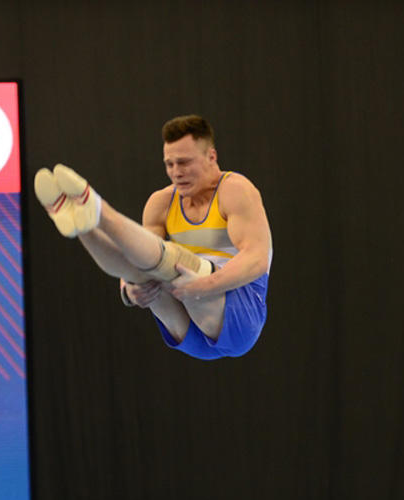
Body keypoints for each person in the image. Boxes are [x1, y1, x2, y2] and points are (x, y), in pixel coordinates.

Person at [33, 115, 272, 359]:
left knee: (176, 263)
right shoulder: (161, 202)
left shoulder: (235, 190)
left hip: (240, 317)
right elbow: (139, 255)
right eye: (170, 164)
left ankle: (98, 209)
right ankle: (81, 225)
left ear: (212, 156)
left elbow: (257, 259)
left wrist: (202, 286)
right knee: (140, 275)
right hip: (187, 328)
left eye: (184, 162)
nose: (176, 172)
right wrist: (129, 291)